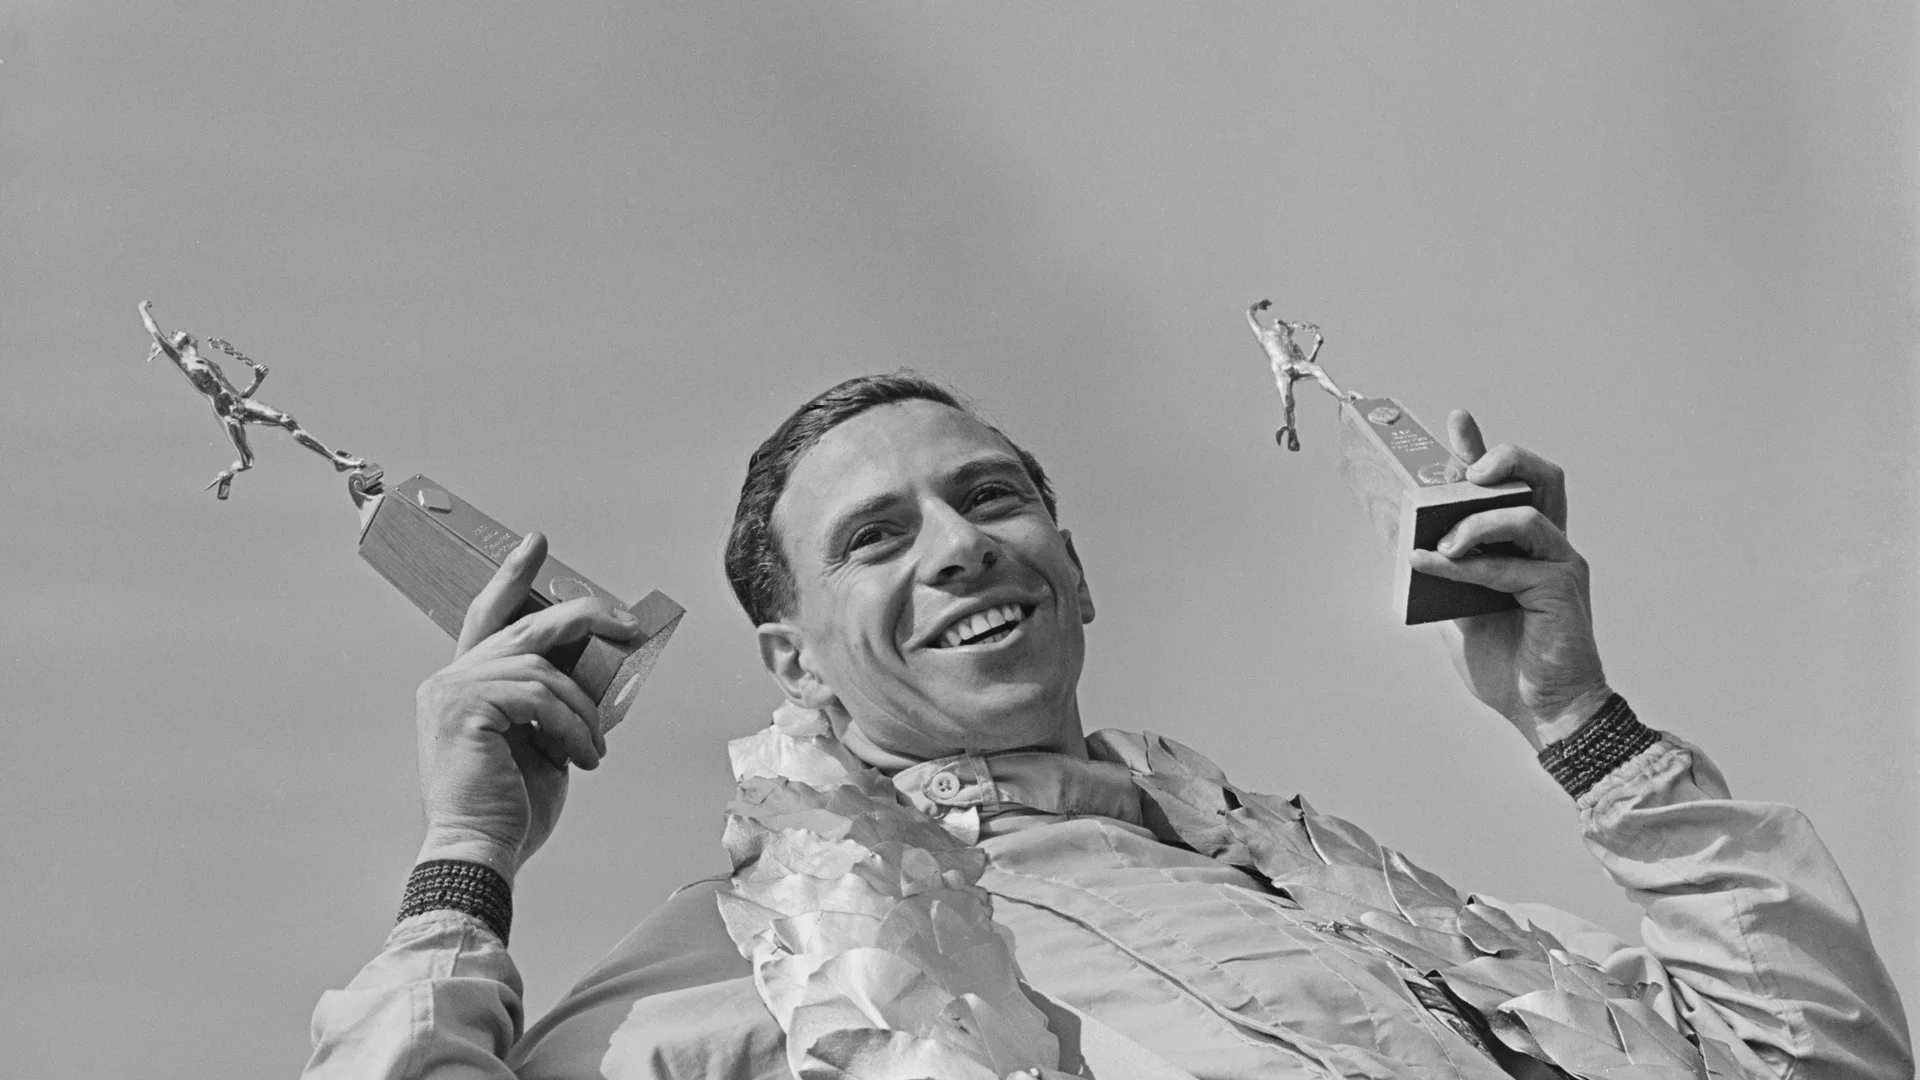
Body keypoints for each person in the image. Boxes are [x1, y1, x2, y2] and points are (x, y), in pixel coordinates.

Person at [303, 374, 1910, 1080]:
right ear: (793, 663)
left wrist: (1572, 715)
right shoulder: (770, 961)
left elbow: (1824, 1063)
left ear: (1075, 567)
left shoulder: (1360, 902)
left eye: (991, 498)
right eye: (877, 539)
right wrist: (465, 857)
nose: (957, 545)